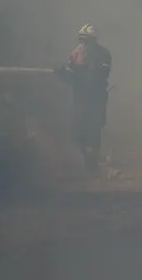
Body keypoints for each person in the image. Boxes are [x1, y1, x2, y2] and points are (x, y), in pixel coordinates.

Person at [54, 23, 112, 176]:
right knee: (77, 131)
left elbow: (100, 75)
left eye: (87, 40)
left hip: (96, 98)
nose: (83, 44)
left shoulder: (103, 54)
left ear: (94, 40)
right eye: (82, 40)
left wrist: (80, 74)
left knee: (94, 129)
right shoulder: (75, 54)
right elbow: (70, 77)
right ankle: (89, 157)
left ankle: (93, 164)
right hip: (80, 98)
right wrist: (62, 73)